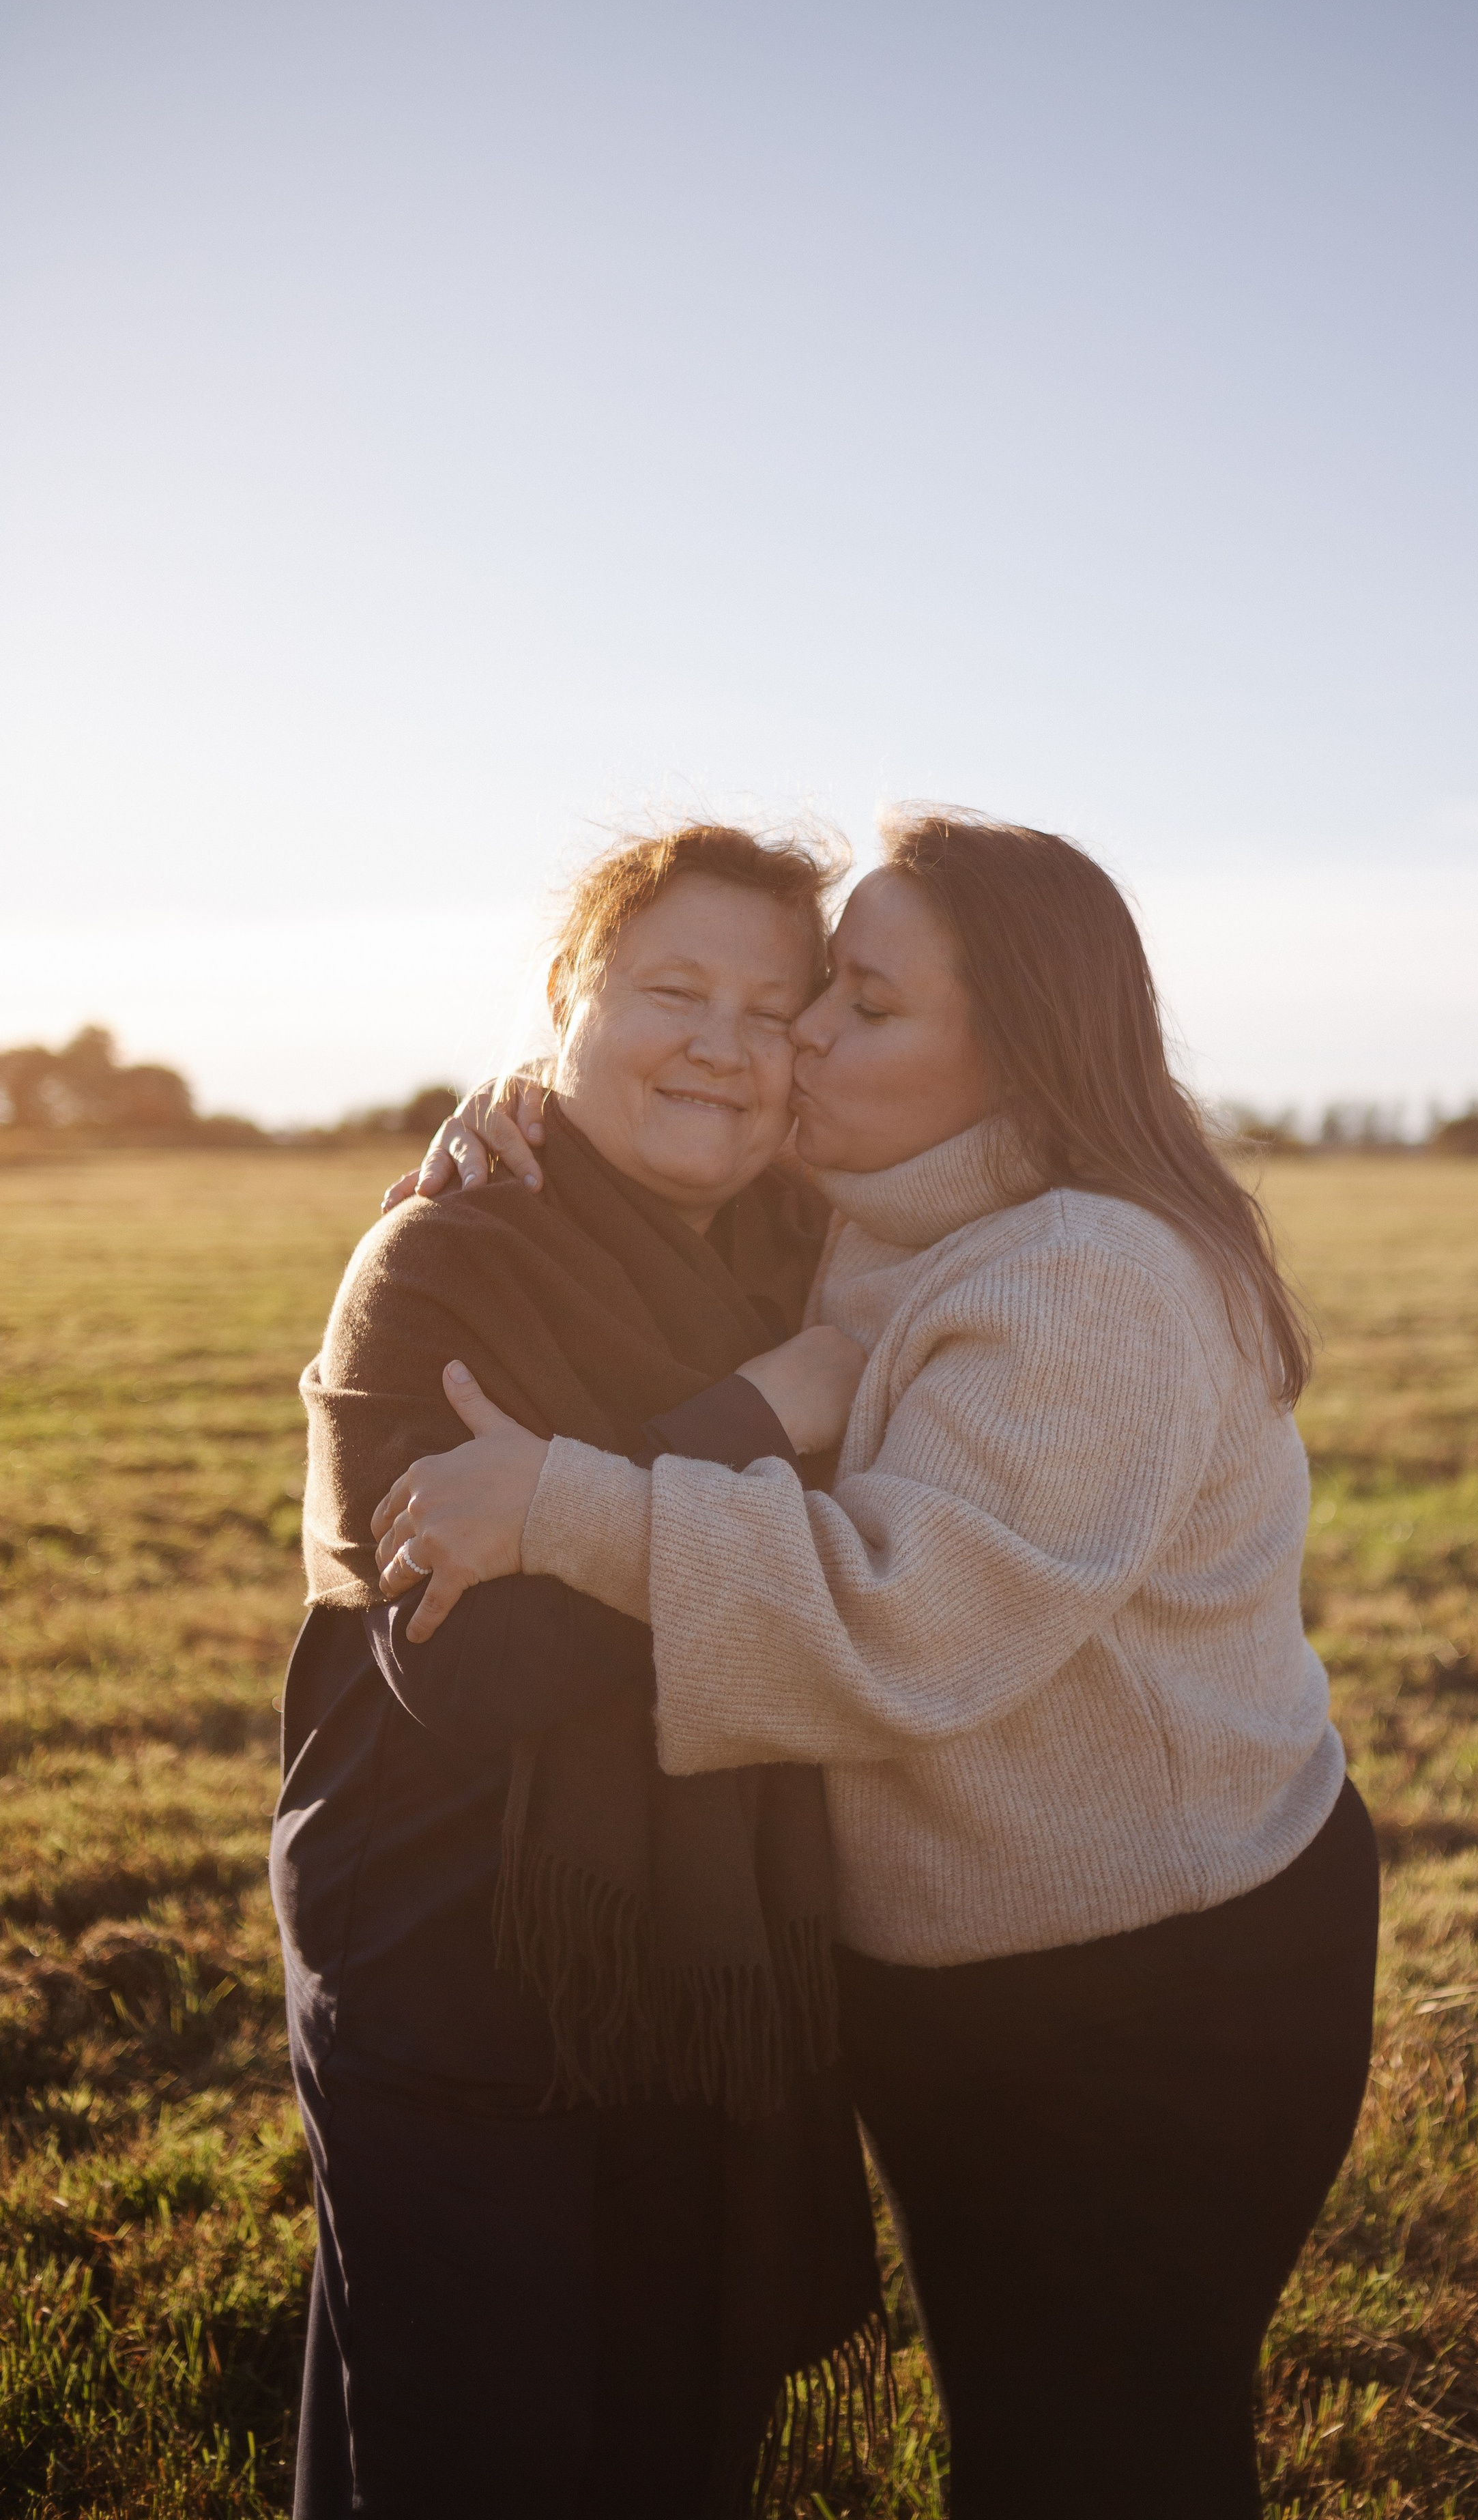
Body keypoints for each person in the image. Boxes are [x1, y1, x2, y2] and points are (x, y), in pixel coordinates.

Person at [379, 809, 1380, 2520]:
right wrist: (522, 1099)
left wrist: (560, 1505)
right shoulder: (892, 1214)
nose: (802, 1041)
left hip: (1152, 1987)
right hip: (976, 1967)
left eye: (858, 1004)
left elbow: (895, 1617)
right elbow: (668, 1073)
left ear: (1021, 1052)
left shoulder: (1087, 1283)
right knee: (1028, 2423)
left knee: (1100, 2450)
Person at [272, 822, 886, 2520]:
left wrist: (574, 1501)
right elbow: (479, 1670)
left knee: (668, 2444)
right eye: (672, 990)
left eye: (774, 1010)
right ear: (569, 995)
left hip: (703, 1981)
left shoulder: (804, 1250)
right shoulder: (442, 1258)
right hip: (455, 1961)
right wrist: (765, 1415)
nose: (721, 1042)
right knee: (473, 2445)